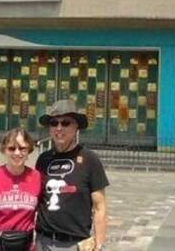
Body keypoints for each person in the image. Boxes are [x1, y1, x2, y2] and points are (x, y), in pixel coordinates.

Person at [35, 100, 108, 251]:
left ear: (76, 128)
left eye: (66, 123)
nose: (59, 128)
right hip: (44, 241)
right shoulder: (43, 159)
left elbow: (100, 207)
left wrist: (99, 244)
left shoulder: (89, 159)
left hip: (74, 243)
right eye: (54, 123)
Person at [0, 127, 42, 251]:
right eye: (12, 148)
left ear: (29, 151)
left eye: (22, 148)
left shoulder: (36, 177)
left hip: (25, 246)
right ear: (4, 150)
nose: (17, 153)